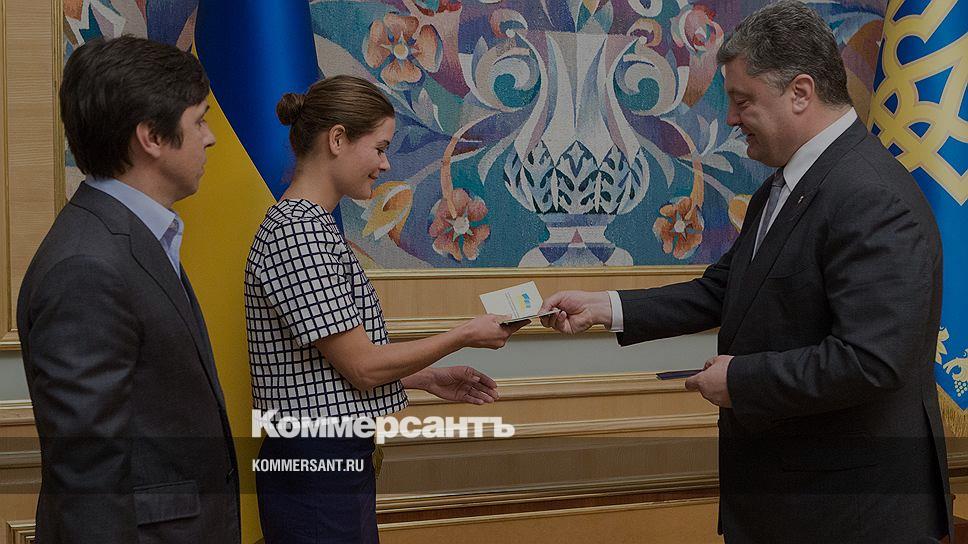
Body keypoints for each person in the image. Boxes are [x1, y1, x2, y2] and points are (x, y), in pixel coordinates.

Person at [539, 2, 951, 542]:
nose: (731, 118)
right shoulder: (788, 185)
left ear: (800, 93)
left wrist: (740, 380)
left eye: (742, 100)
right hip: (791, 501)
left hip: (850, 512)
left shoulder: (870, 196)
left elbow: (870, 360)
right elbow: (725, 289)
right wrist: (604, 307)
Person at [244, 75, 523, 543]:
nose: (385, 163)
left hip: (329, 460)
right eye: (379, 148)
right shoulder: (298, 233)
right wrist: (464, 334)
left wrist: (426, 377)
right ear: (337, 139)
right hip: (316, 465)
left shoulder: (311, 227)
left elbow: (323, 372)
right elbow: (363, 366)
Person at [17, 36, 239, 542]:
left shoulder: (132, 236)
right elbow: (88, 477)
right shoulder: (87, 266)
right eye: (199, 121)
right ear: (152, 137)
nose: (210, 138)